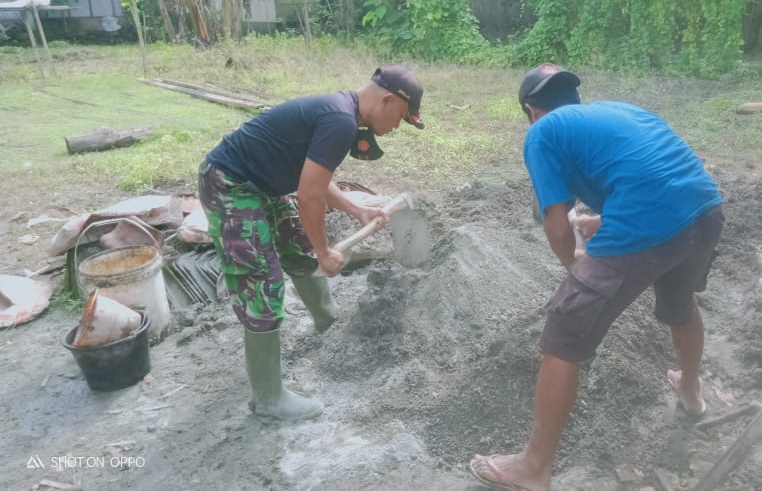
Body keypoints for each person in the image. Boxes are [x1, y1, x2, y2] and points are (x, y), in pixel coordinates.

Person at [469, 63, 724, 490]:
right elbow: (659, 176)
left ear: (532, 111)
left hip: (653, 219)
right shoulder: (620, 110)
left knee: (564, 331)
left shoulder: (541, 132)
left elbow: (555, 224)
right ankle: (691, 392)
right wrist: (605, 219)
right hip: (705, 209)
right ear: (574, 98)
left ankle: (533, 468)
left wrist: (577, 270)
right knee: (680, 306)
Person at [197, 65, 425, 421]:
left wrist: (357, 210)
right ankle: (268, 398)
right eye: (401, 118)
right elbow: (308, 197)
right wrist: (324, 252)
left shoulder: (342, 113)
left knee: (297, 249)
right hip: (230, 184)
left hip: (261, 184)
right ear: (387, 100)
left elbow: (314, 179)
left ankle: (327, 319)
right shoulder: (341, 121)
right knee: (262, 283)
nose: (397, 127)